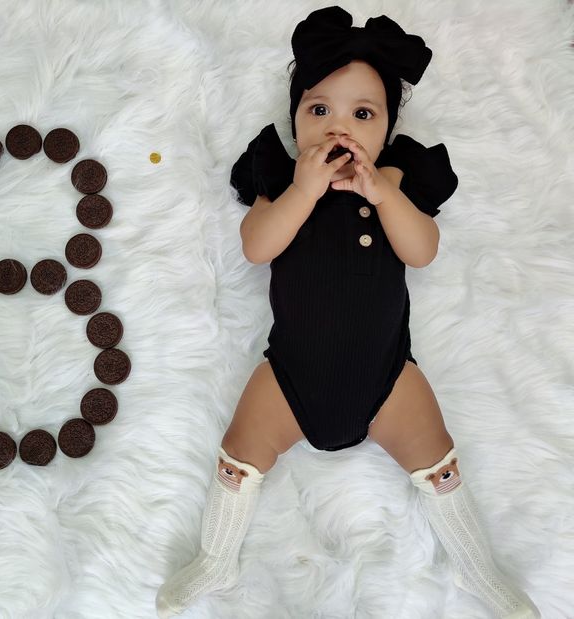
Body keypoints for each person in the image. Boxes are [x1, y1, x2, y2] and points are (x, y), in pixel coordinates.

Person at [156, 6, 541, 618]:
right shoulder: (281, 177)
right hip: (291, 374)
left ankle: (476, 568)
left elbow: (424, 251)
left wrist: (385, 194)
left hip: (386, 376)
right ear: (294, 117)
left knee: (437, 457)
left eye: (363, 114)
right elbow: (257, 245)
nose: (340, 128)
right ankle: (216, 560)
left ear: (388, 126)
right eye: (319, 110)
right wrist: (303, 190)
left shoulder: (398, 176)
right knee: (240, 448)